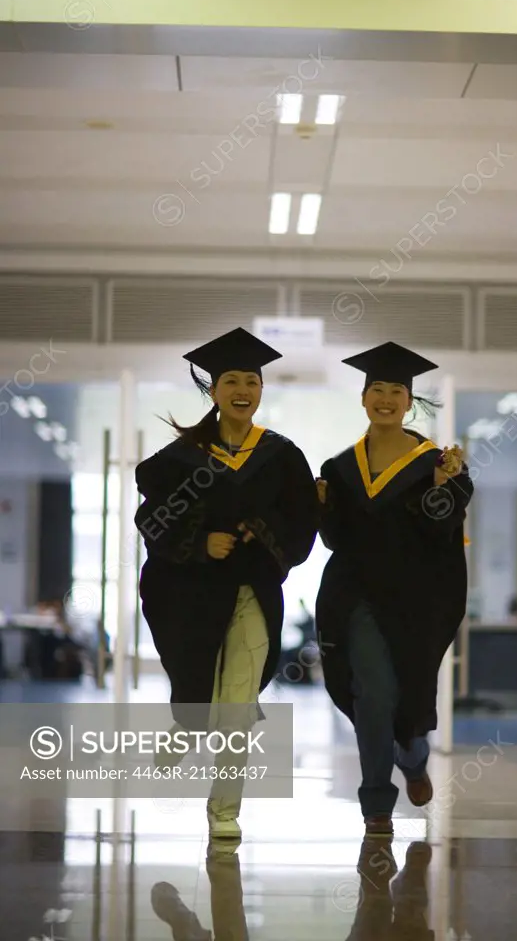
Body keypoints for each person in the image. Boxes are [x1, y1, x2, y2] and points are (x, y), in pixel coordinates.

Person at [134, 327, 318, 842]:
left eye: (252, 380)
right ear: (213, 391)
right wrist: (200, 543)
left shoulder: (281, 456)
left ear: (261, 390)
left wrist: (259, 532)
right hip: (191, 595)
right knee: (197, 702)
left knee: (237, 707)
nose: (243, 389)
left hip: (253, 592)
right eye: (231, 380)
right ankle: (184, 729)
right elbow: (151, 521)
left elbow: (302, 523)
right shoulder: (179, 459)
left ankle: (224, 809)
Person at [315, 342, 473, 837]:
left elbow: (440, 531)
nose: (386, 398)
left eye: (396, 391)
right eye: (377, 389)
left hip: (416, 601)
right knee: (373, 693)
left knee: (410, 700)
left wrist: (443, 485)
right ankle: (377, 803)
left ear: (410, 402)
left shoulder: (437, 462)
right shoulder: (339, 468)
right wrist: (323, 507)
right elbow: (335, 539)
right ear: (364, 398)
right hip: (356, 596)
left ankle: (414, 758)